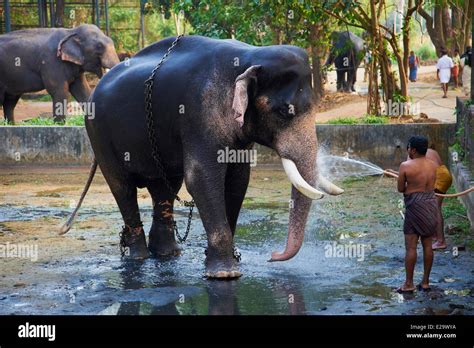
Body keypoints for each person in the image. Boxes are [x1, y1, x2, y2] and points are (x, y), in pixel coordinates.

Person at [386, 147, 453, 250]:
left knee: (435, 209)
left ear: (412, 149)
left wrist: (395, 174)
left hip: (438, 176)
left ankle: (440, 241)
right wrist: (394, 172)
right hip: (444, 173)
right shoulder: (429, 151)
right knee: (431, 207)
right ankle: (434, 236)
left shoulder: (412, 156)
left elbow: (410, 175)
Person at [396, 136, 439, 293]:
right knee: (428, 245)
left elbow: (401, 189)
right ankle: (426, 282)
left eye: (408, 148)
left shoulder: (405, 166)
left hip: (415, 206)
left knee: (411, 247)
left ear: (413, 149)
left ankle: (409, 283)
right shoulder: (434, 165)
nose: (408, 150)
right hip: (430, 204)